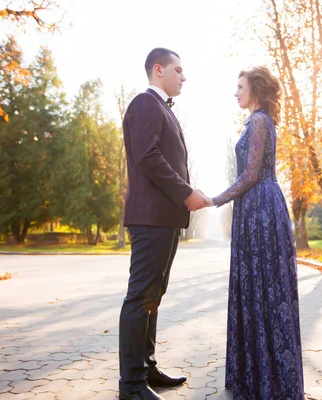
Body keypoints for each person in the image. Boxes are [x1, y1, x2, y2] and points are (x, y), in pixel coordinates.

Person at [203, 66, 305, 400]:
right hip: (255, 209)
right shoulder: (256, 120)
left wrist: (213, 200)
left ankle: (270, 380)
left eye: (240, 86)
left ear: (255, 89)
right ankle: (259, 375)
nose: (235, 92)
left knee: (265, 290)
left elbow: (250, 175)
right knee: (259, 289)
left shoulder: (259, 120)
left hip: (261, 209)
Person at [119, 47, 206, 400]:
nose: (184, 77)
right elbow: (148, 156)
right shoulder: (145, 104)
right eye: (178, 70)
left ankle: (147, 368)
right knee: (140, 297)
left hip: (165, 219)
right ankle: (132, 385)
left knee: (152, 296)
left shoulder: (160, 108)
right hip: (150, 218)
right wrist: (186, 192)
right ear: (158, 70)